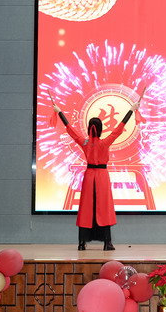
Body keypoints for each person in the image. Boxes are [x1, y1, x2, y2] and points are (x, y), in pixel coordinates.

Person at [53, 98, 139, 251]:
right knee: (104, 208)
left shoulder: (84, 142)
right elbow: (119, 128)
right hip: (102, 177)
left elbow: (70, 129)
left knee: (86, 208)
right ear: (100, 129)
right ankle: (107, 243)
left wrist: (59, 112)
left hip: (89, 176)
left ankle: (82, 243)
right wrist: (131, 110)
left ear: (89, 128)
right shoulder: (105, 143)